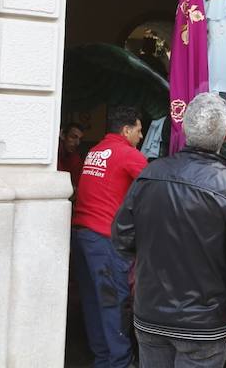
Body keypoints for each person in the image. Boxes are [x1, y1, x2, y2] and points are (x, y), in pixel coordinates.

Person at [112, 92, 226, 368]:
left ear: (184, 130)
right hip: (202, 325)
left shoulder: (150, 175)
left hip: (152, 315)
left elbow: (122, 238)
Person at [72, 106, 148, 368]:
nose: (141, 136)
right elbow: (156, 187)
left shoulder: (95, 152)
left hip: (82, 237)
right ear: (126, 130)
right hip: (105, 241)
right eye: (138, 131)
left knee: (94, 303)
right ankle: (120, 363)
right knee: (113, 305)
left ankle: (104, 360)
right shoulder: (128, 154)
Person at [58, 122, 85, 192]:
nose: (77, 143)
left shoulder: (76, 158)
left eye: (80, 139)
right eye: (73, 137)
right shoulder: (53, 154)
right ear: (63, 135)